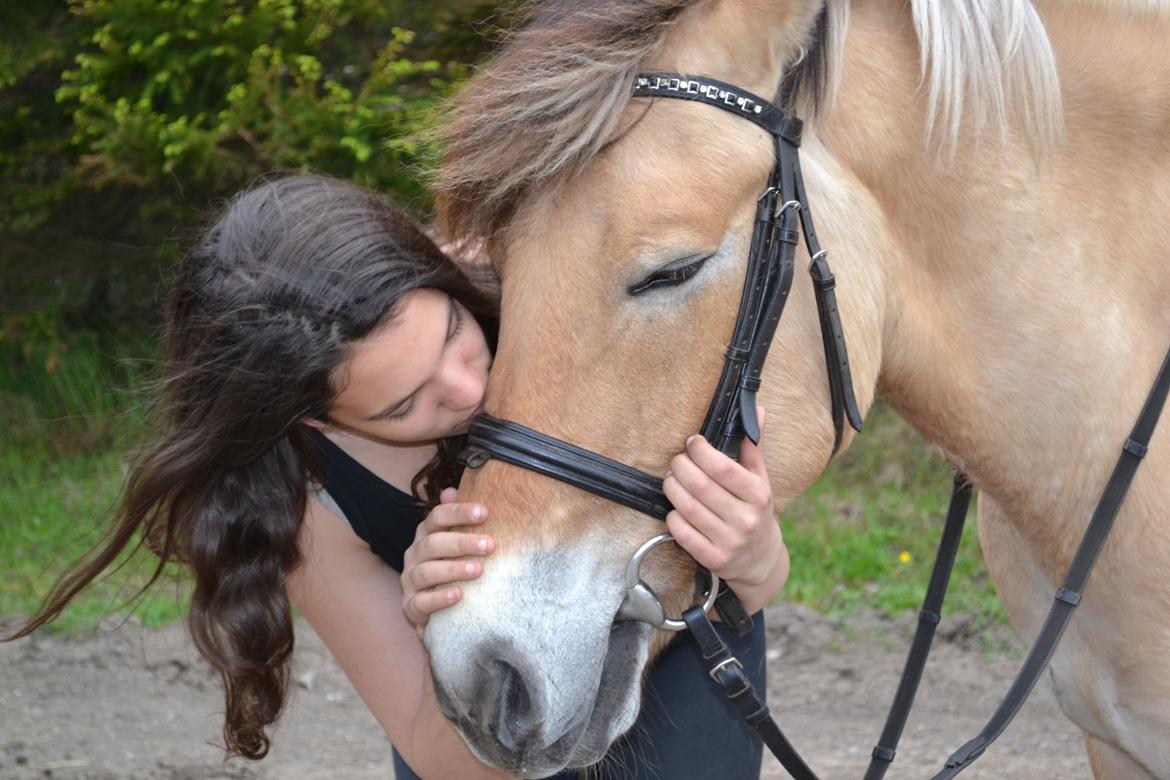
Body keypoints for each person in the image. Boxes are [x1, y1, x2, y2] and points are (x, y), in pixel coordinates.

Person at [4, 174, 790, 779]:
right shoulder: (313, 510)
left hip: (687, 718)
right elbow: (430, 747)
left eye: (455, 333)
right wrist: (438, 622)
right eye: (407, 403)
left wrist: (750, 554)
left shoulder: (552, 293)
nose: (468, 390)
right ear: (314, 421)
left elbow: (753, 587)